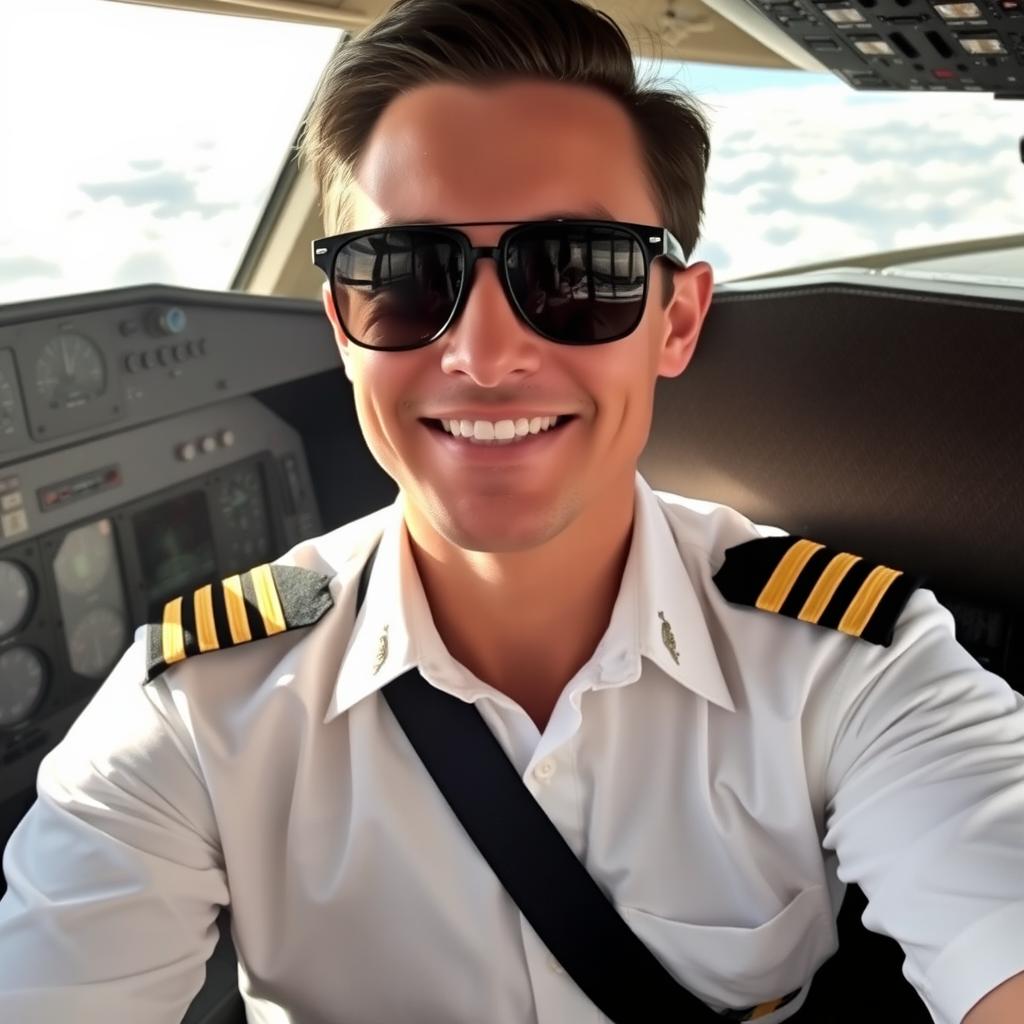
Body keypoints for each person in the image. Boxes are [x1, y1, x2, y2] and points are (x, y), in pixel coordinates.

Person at [1, 0, 1023, 1021]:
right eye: (403, 279)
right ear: (345, 328)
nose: (485, 357)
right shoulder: (191, 711)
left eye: (577, 272)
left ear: (676, 320)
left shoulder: (851, 666)